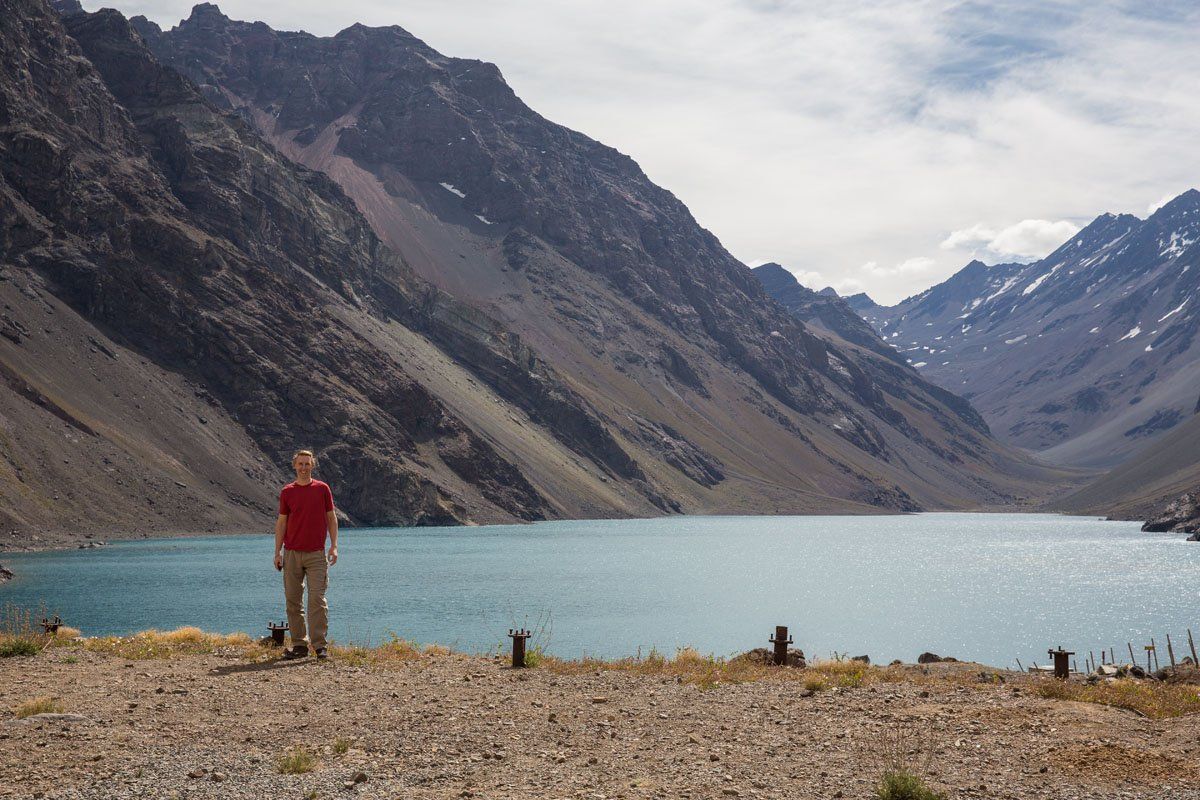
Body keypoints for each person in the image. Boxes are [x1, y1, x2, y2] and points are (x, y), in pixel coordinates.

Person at [274, 449, 338, 660]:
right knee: (293, 600)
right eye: (300, 464)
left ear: (312, 465)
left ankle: (320, 646)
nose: (303, 468)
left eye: (307, 464)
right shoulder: (287, 492)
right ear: (294, 465)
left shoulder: (322, 489)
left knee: (317, 599)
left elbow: (331, 518)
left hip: (316, 554)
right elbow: (282, 523)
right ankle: (300, 645)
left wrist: (334, 546)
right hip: (291, 553)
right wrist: (277, 552)